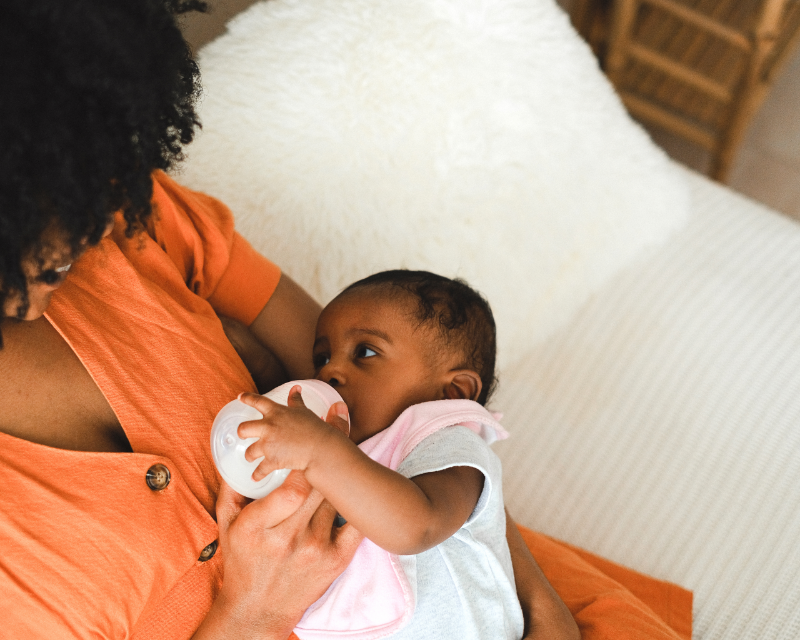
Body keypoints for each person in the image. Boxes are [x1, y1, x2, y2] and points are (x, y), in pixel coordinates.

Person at [0, 1, 578, 639]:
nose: (83, 244)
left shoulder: (101, 200)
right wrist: (252, 615)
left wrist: (533, 596)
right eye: (37, 263)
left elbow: (407, 397)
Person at [235, 270, 526, 639]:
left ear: (452, 392)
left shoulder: (451, 445)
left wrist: (319, 450)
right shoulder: (345, 448)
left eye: (365, 352)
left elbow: (417, 526)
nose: (331, 371)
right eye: (321, 357)